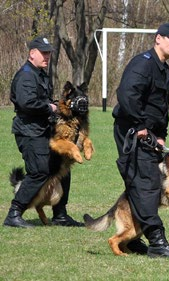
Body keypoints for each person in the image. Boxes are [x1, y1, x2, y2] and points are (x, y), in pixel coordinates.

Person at [112, 23, 169, 258]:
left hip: (150, 135)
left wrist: (161, 132)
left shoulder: (164, 69)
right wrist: (140, 125)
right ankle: (156, 241)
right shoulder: (142, 63)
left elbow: (160, 106)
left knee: (148, 183)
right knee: (145, 184)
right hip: (133, 132)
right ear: (158, 39)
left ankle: (134, 239)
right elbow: (126, 95)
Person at [4, 36, 83, 228]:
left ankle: (60, 214)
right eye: (43, 53)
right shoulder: (25, 75)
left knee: (62, 167)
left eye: (48, 53)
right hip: (30, 132)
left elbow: (42, 99)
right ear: (32, 54)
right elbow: (27, 103)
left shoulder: (39, 74)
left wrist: (56, 105)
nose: (47, 56)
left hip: (44, 130)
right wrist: (50, 108)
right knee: (39, 171)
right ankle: (14, 214)